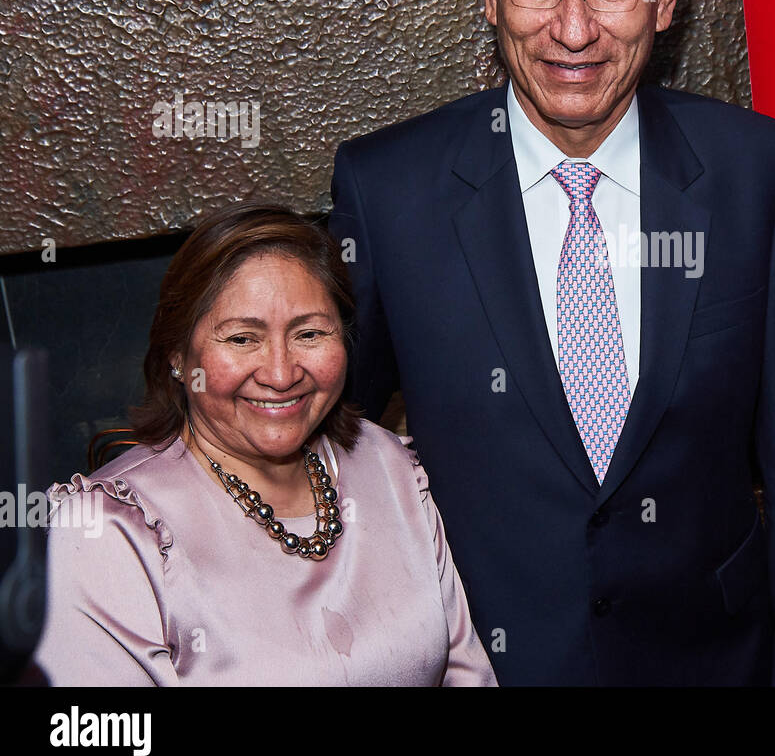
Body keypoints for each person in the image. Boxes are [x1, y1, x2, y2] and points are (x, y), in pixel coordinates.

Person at [329, 0, 775, 685]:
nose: (573, 30)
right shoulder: (388, 189)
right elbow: (327, 438)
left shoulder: (757, 172)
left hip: (716, 664)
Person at [35, 204, 496, 686]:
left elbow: (466, 673)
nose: (280, 374)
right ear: (177, 355)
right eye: (242, 339)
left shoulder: (387, 464)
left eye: (309, 334)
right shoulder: (108, 530)